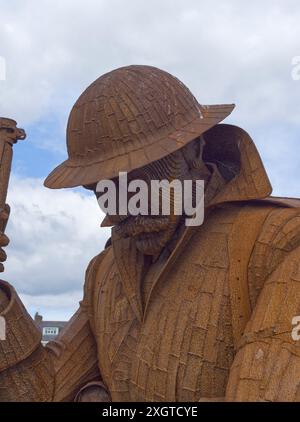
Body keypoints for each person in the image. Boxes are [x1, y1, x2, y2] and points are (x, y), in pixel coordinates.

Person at [1, 65, 300, 402]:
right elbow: (41, 394)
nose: (115, 210)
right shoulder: (104, 273)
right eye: (99, 190)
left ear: (194, 151)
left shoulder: (280, 243)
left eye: (134, 181)